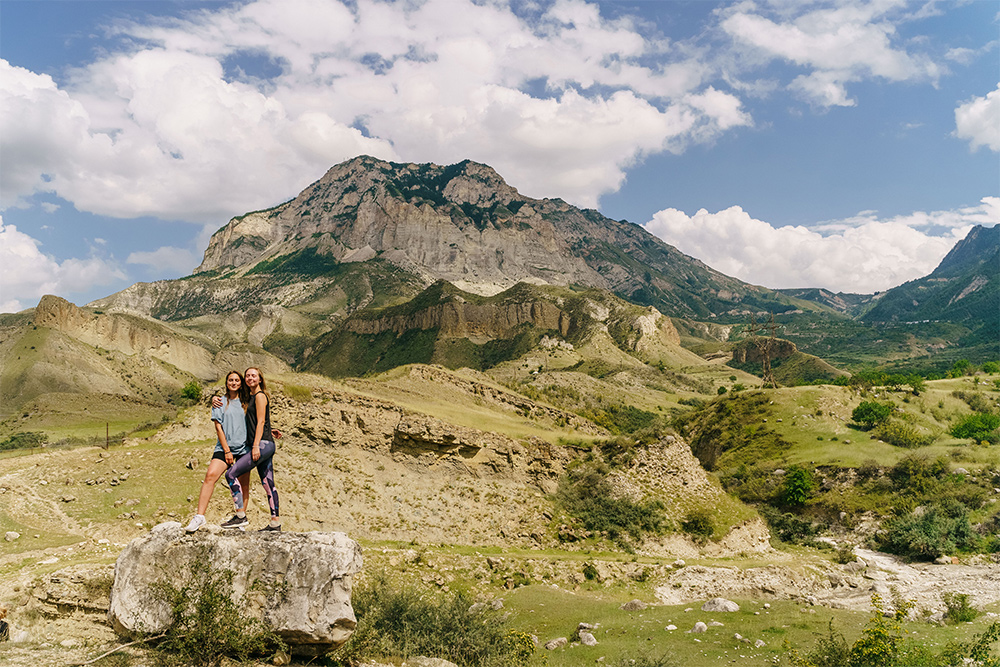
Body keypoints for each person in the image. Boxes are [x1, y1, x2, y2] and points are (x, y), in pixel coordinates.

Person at [185, 371, 253, 532]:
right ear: (227, 383)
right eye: (231, 380)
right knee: (210, 476)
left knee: (243, 484)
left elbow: (258, 420)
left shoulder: (247, 401)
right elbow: (218, 427)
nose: (234, 383)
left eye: (237, 380)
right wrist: (227, 451)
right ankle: (199, 517)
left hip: (244, 448)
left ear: (241, 383)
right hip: (224, 448)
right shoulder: (220, 402)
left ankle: (240, 519)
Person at [224, 366, 281, 531]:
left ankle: (240, 516)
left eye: (253, 376)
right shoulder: (252, 397)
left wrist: (255, 446)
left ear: (260, 379)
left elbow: (261, 421)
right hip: (266, 442)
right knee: (268, 483)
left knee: (231, 474)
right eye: (247, 376)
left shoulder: (260, 396)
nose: (250, 378)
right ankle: (275, 523)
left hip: (261, 445)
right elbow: (257, 422)